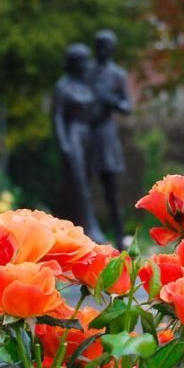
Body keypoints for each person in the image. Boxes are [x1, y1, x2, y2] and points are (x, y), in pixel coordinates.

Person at [52, 43, 105, 242]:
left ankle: (71, 227)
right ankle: (90, 228)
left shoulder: (86, 85)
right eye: (83, 60)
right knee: (78, 182)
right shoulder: (63, 85)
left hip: (88, 135)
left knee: (85, 181)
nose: (87, 64)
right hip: (73, 133)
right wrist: (64, 143)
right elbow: (57, 117)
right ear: (74, 62)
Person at [88, 30, 132, 250]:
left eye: (107, 45)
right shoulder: (87, 72)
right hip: (87, 133)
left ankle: (119, 238)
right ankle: (83, 237)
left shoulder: (117, 74)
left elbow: (127, 107)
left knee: (111, 190)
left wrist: (112, 101)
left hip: (106, 134)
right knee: (83, 186)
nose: (104, 49)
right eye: (100, 45)